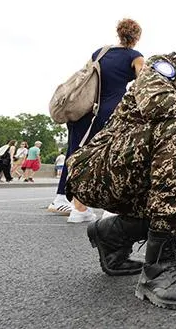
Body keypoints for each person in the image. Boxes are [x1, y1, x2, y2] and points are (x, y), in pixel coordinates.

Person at [65, 22, 176, 311]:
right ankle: (158, 268)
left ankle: (113, 234)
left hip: (149, 176)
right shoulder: (164, 66)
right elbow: (155, 103)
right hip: (100, 169)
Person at [48, 18, 145, 222]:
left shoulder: (100, 52)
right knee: (111, 157)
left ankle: (78, 209)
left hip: (86, 110)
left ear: (119, 33)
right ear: (137, 37)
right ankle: (109, 209)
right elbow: (144, 83)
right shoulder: (135, 57)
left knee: (77, 156)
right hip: (113, 110)